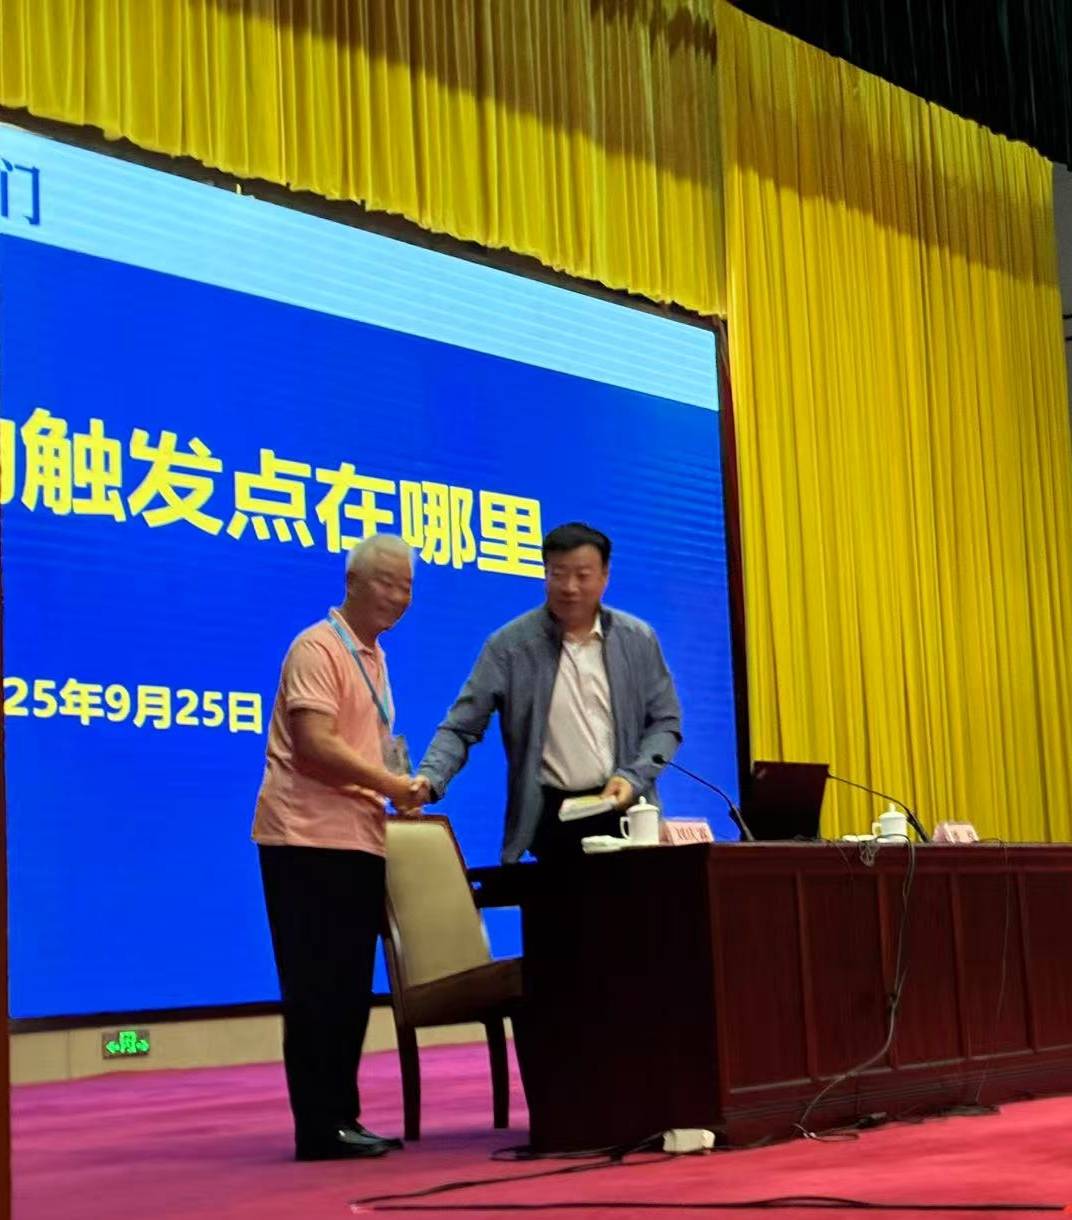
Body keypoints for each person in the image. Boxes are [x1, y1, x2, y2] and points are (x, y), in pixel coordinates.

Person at [251, 533, 422, 1161]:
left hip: (356, 838)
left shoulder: (374, 657)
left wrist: (399, 789)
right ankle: (319, 1127)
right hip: (305, 838)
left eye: (406, 586)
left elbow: (367, 745)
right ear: (352, 582)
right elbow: (315, 747)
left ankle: (341, 1118)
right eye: (386, 582)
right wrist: (391, 785)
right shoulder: (317, 647)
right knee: (315, 986)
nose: (398, 596)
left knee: (348, 988)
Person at [412, 522, 682, 862]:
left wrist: (634, 776)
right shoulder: (510, 646)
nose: (570, 587)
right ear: (545, 575)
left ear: (605, 576)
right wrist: (430, 778)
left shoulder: (638, 639)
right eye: (558, 574)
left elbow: (665, 723)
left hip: (624, 811)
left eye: (582, 575)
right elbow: (461, 726)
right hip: (551, 820)